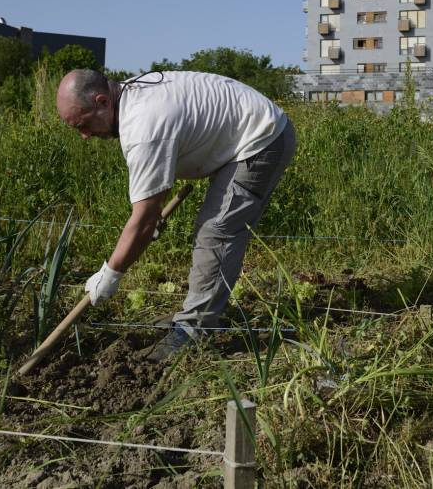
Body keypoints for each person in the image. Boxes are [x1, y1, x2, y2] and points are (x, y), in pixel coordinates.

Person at [55, 69, 296, 361]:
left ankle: (195, 329)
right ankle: (200, 311)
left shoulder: (143, 125)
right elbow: (150, 207)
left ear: (103, 100)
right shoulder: (131, 96)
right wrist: (149, 219)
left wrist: (111, 273)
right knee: (213, 229)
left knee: (217, 231)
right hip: (241, 130)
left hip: (261, 139)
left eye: (84, 124)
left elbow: (143, 220)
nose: (84, 136)